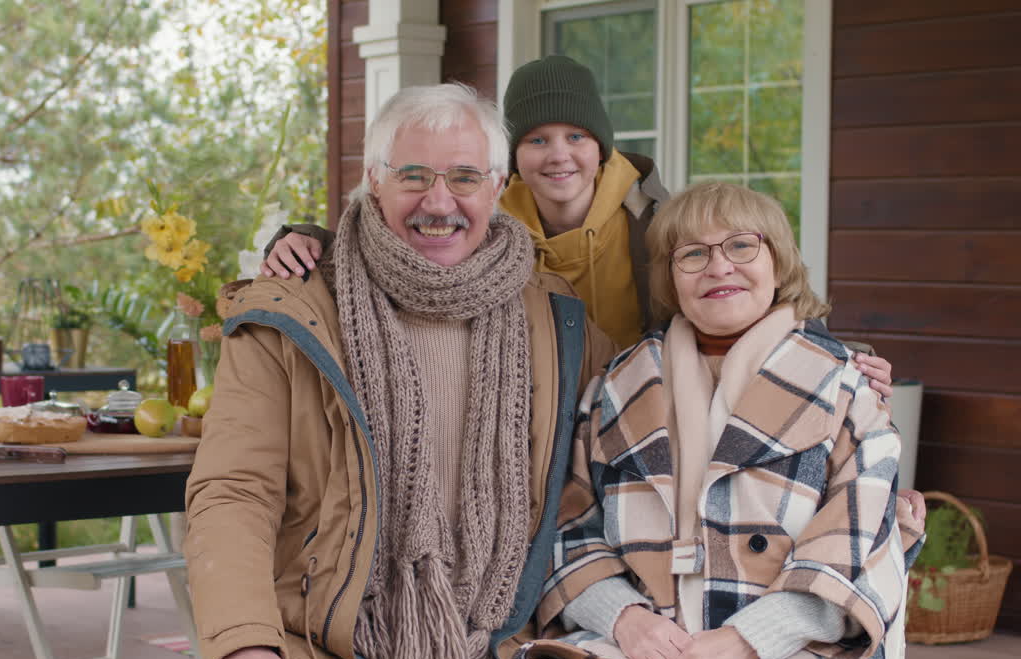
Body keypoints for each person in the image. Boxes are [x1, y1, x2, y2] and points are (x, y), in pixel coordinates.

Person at [185, 83, 615, 659]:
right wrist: (244, 648)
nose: (439, 202)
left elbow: (590, 501)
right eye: (412, 175)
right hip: (319, 648)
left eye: (465, 177)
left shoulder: (561, 326)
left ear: (498, 187)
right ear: (373, 181)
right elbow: (234, 491)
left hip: (490, 648)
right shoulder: (291, 311)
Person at [514, 182, 925, 659]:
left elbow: (860, 542)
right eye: (693, 253)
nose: (718, 267)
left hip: (797, 652)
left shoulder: (844, 386)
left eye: (741, 246)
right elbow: (570, 529)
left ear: (778, 261)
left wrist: (750, 638)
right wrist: (623, 618)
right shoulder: (617, 386)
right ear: (669, 277)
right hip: (641, 645)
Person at [260, 56, 895, 395]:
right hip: (527, 406)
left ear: (602, 146)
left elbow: (743, 285)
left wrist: (843, 357)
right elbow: (397, 234)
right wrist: (309, 238)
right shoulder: (482, 223)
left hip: (646, 404)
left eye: (575, 135)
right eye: (536, 138)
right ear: (511, 159)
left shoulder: (658, 221)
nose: (558, 153)